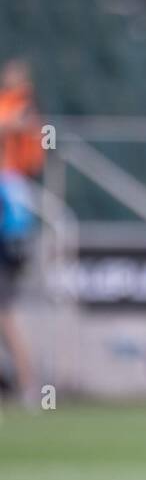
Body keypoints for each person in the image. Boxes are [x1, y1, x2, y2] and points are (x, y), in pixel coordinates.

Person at [0, 59, 43, 401]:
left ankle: (28, 382)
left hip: (11, 236)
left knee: (5, 311)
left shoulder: (25, 108)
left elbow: (13, 125)